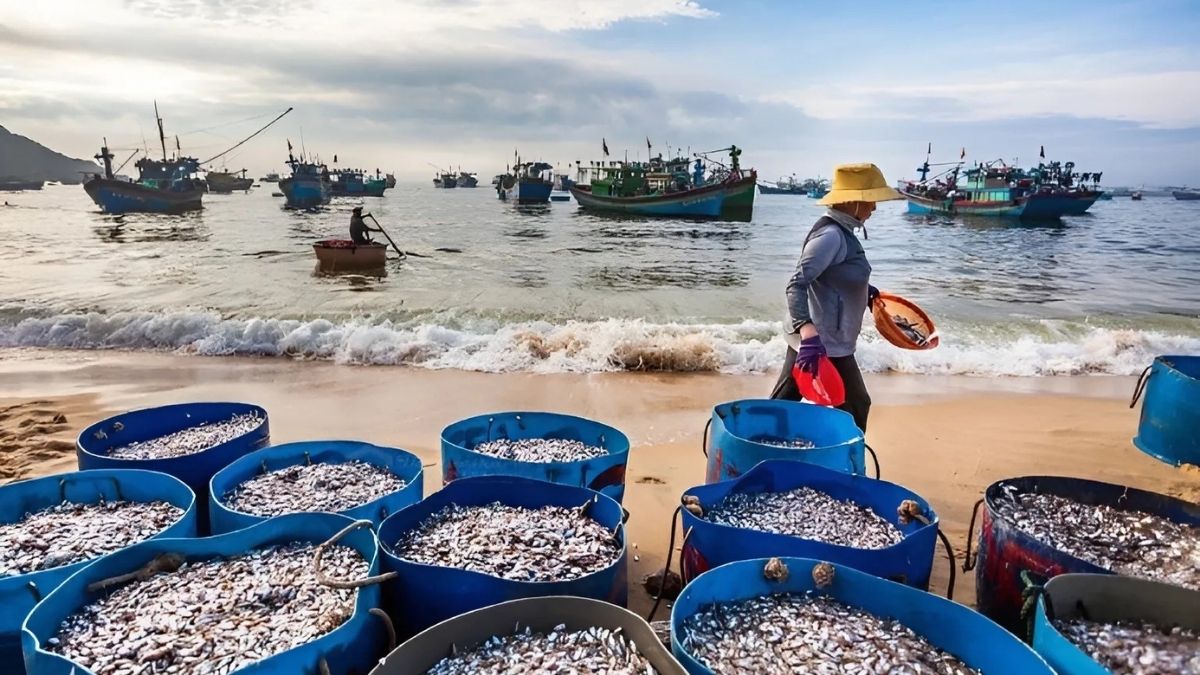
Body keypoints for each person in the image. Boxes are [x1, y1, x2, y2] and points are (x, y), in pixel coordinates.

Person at [770, 163, 903, 432]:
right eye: (871, 201)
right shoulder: (830, 236)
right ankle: (842, 462)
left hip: (831, 339)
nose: (874, 208)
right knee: (851, 404)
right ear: (853, 202)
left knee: (789, 404)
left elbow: (834, 279)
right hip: (816, 341)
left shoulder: (842, 232)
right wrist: (807, 332)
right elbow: (797, 283)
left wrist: (866, 291)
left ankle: (779, 450)